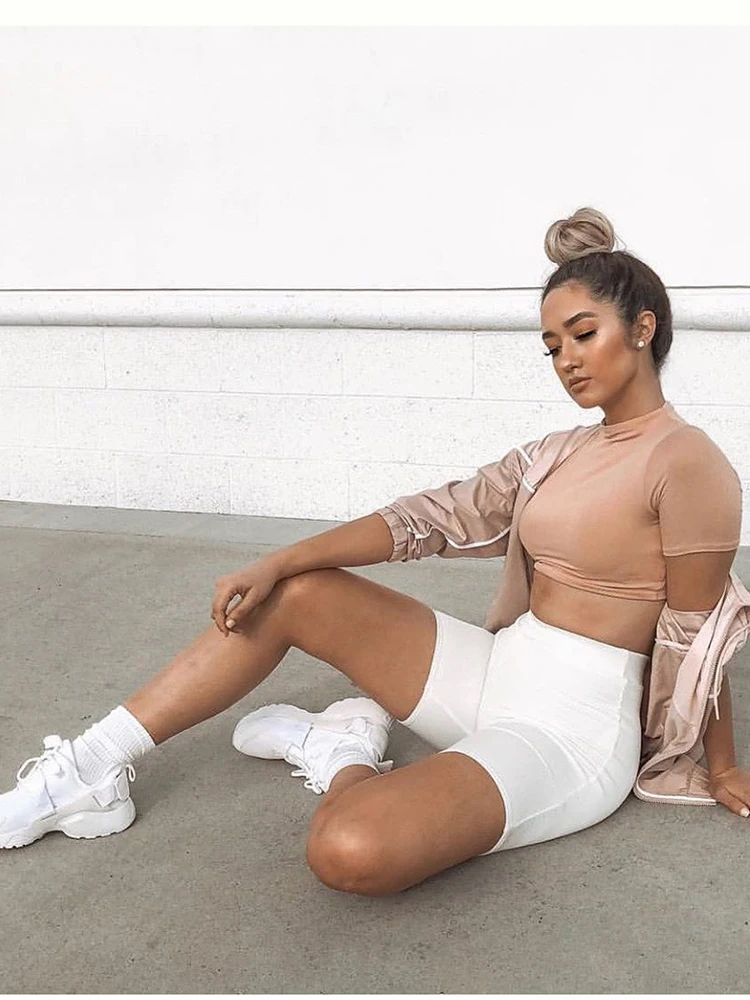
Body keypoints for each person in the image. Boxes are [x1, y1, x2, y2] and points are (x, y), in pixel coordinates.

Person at [2, 207, 748, 897]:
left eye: (584, 335)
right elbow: (432, 517)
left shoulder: (686, 463)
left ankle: (343, 752)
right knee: (297, 592)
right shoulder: (558, 452)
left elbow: (701, 631)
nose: (567, 361)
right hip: (500, 668)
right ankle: (90, 768)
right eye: (553, 346)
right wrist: (280, 558)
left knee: (348, 849)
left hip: (567, 731)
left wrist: (720, 765)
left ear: (643, 328)